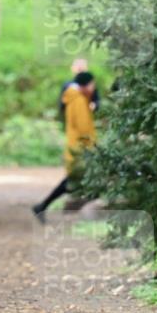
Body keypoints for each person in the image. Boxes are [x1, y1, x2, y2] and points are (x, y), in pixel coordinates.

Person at [33, 71, 97, 223]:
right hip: (81, 150)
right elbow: (83, 128)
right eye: (92, 84)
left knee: (72, 182)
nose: (94, 88)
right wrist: (93, 147)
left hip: (76, 147)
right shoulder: (79, 101)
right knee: (72, 182)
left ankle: (43, 206)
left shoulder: (74, 98)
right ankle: (42, 206)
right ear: (85, 85)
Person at [58, 58, 99, 125]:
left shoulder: (90, 85)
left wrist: (94, 105)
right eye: (77, 66)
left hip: (87, 120)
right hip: (72, 121)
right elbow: (62, 105)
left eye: (82, 66)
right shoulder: (67, 85)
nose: (80, 68)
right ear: (72, 68)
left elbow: (96, 100)